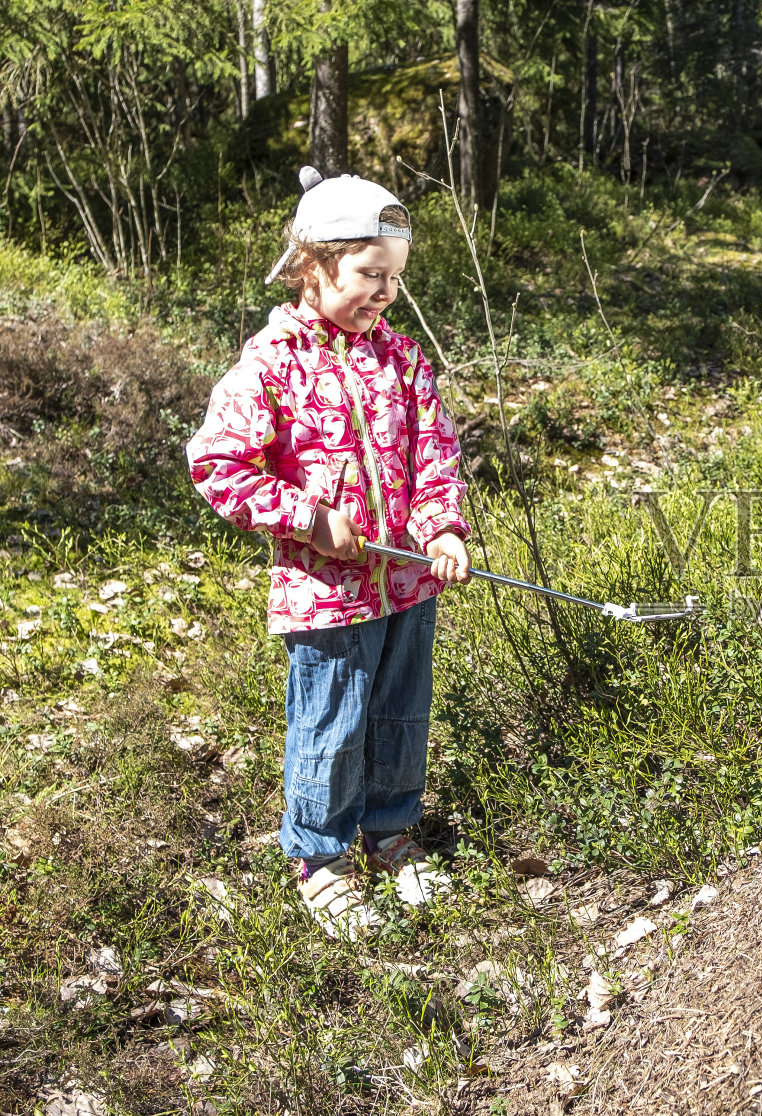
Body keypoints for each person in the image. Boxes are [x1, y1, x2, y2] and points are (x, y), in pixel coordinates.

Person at [187, 166, 472, 940]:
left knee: (400, 714)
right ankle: (319, 856)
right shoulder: (272, 364)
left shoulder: (404, 361)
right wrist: (308, 517)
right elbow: (217, 465)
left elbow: (436, 455)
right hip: (326, 593)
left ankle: (388, 833)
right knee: (333, 723)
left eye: (395, 279)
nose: (383, 293)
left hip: (407, 583)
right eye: (369, 276)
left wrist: (441, 528)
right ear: (314, 266)